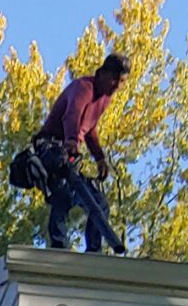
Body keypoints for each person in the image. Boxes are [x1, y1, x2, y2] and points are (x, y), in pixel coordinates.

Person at [34, 51, 130, 255]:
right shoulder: (83, 88)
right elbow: (72, 115)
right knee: (62, 191)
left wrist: (100, 158)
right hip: (49, 146)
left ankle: (93, 252)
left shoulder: (104, 99)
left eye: (121, 82)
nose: (116, 86)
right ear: (102, 73)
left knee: (99, 203)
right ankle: (59, 247)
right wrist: (70, 140)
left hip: (69, 152)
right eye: (114, 79)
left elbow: (89, 129)